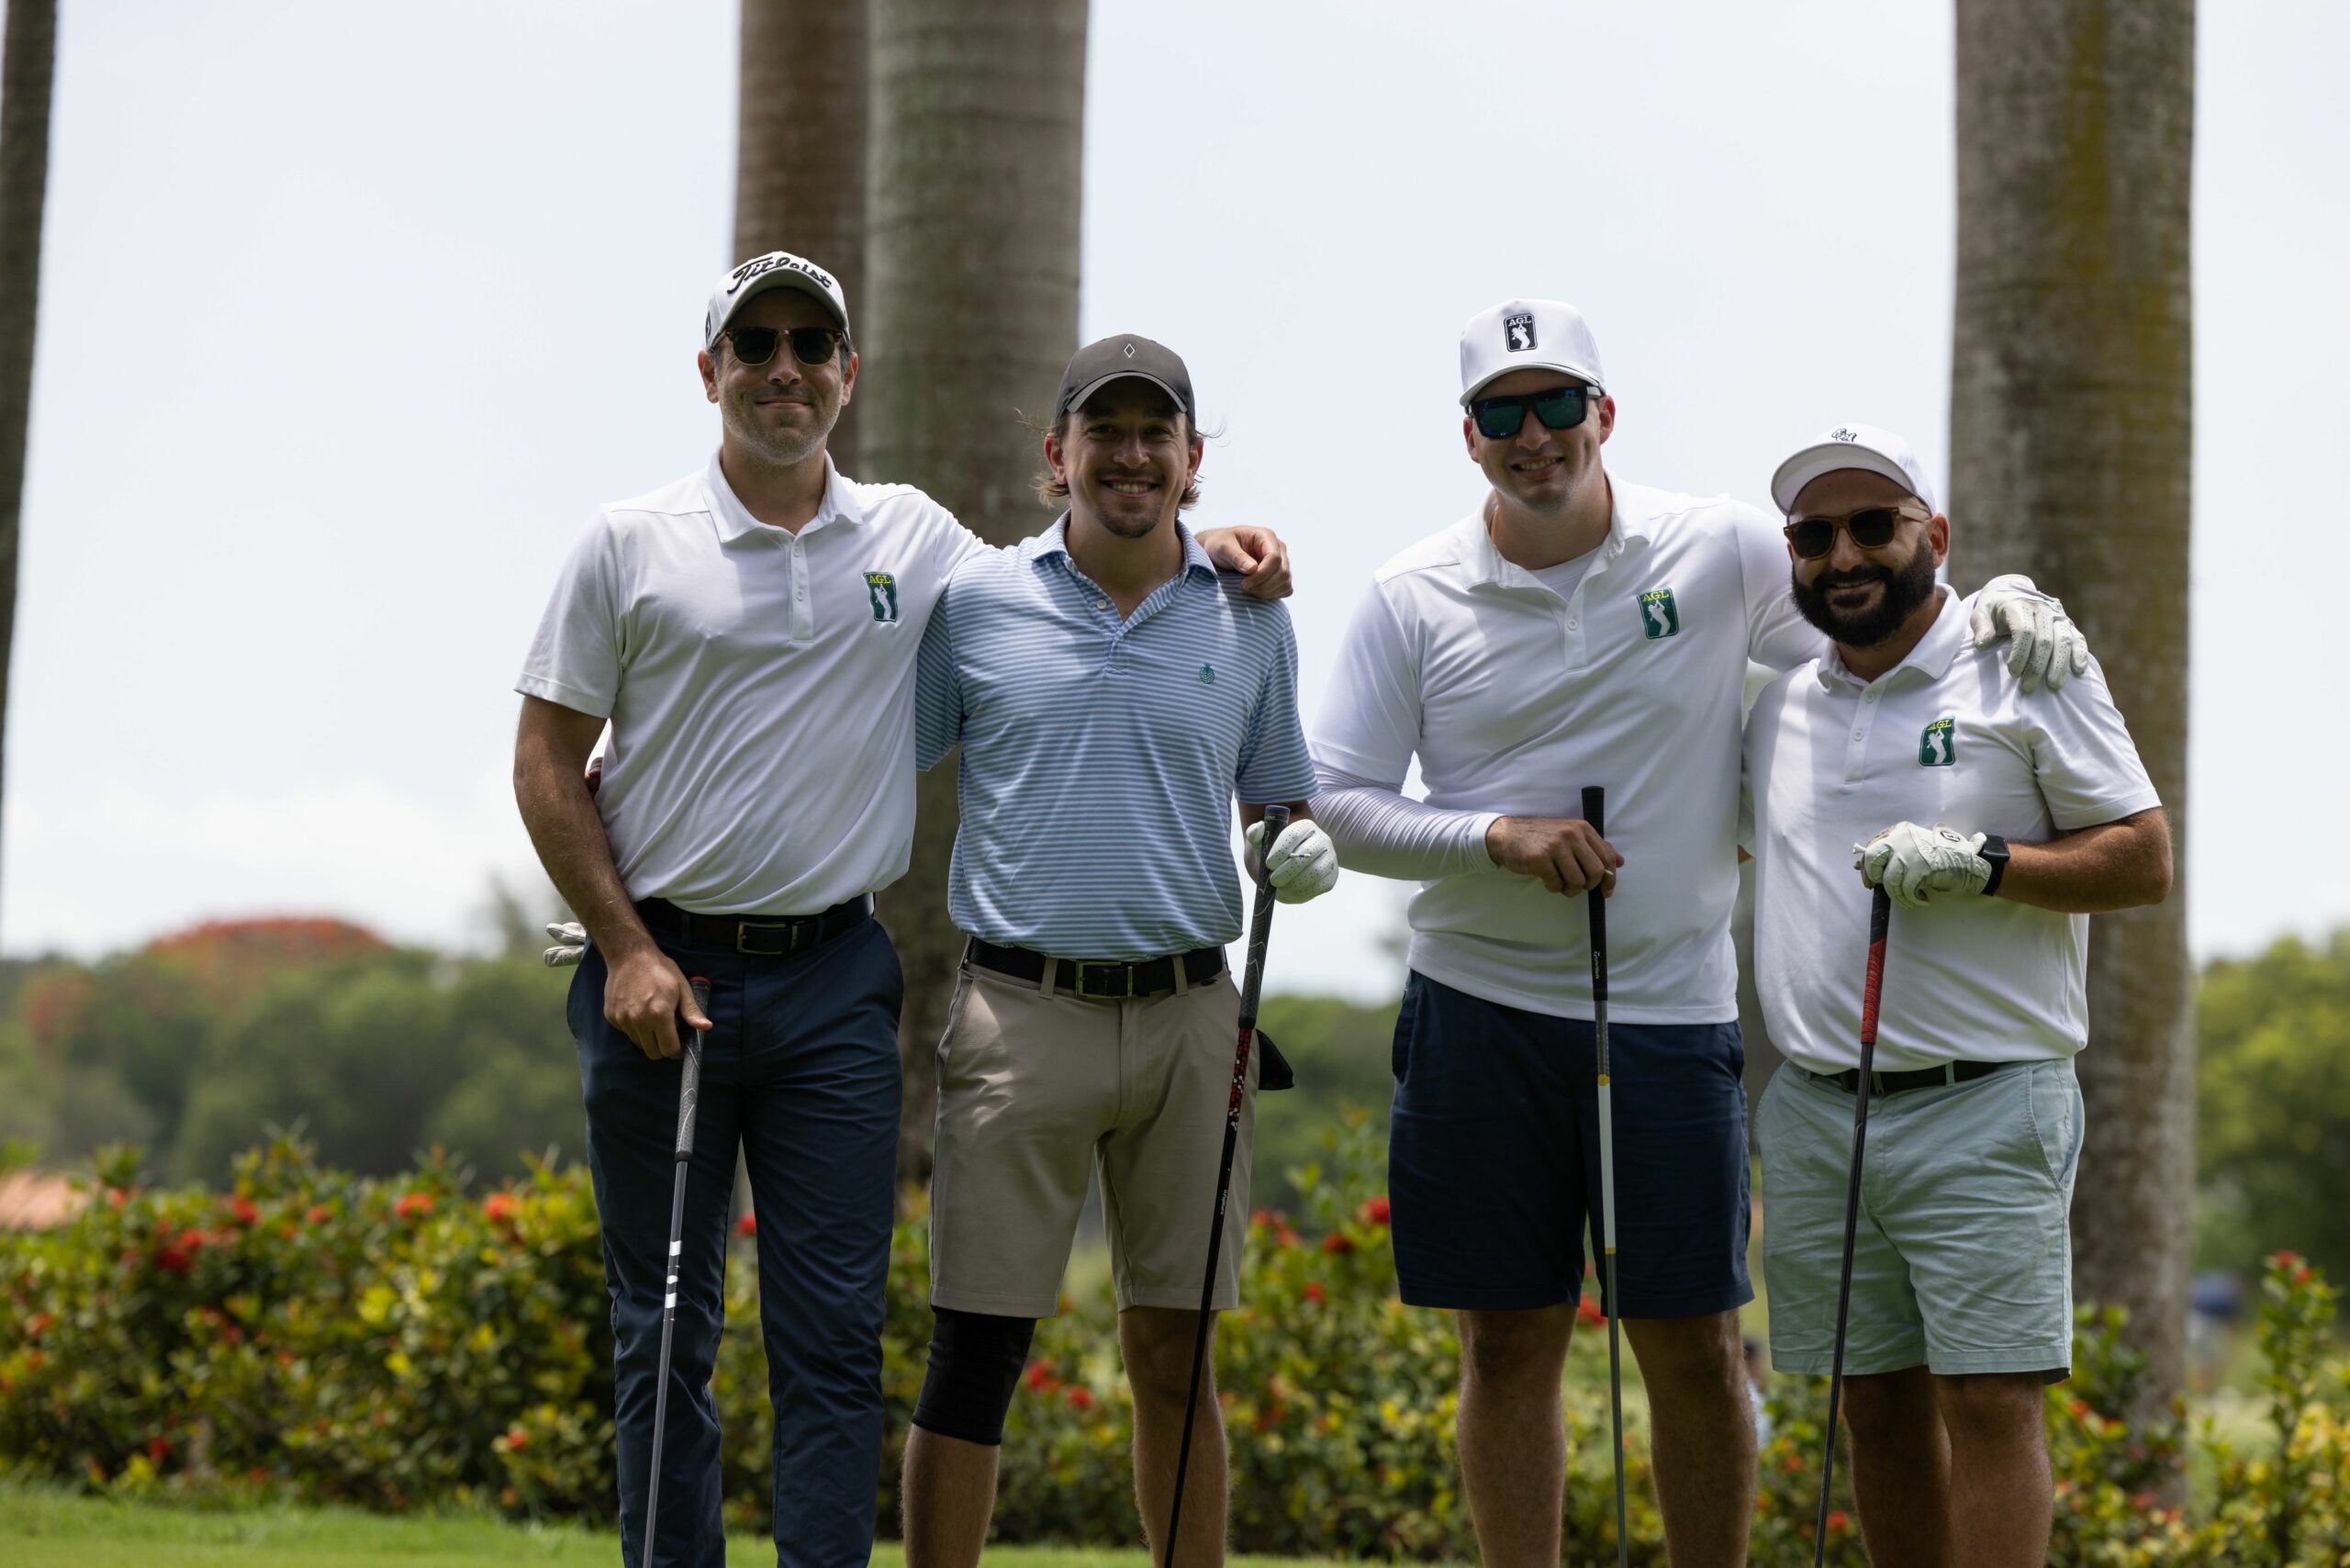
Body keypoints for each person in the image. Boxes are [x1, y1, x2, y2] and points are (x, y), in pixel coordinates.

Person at [511, 255, 1288, 1568]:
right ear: (709, 373)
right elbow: (544, 761)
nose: (785, 367)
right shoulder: (628, 541)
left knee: (831, 1342)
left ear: (847, 374)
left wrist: (1196, 546)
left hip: (833, 977)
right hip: (659, 976)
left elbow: (1064, 586)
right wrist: (628, 946)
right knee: (666, 1329)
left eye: (811, 344)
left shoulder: (915, 541)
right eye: (754, 344)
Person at [1308, 298, 2090, 1566]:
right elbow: (1336, 802)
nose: (1533, 434)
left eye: (1556, 403)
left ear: (1603, 414)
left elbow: (1880, 610)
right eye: (1502, 413)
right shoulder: (1411, 596)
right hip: (1475, 1010)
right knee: (1504, 1345)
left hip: (1669, 1015)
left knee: (1694, 1346)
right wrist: (1492, 837)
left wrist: (2002, 599)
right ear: (1469, 437)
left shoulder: (1718, 550)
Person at [897, 334, 1337, 1568]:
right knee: (974, 1352)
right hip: (1018, 1009)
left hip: (1193, 1016)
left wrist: (1292, 844)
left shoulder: (1252, 619)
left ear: (1193, 459)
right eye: (1107, 431)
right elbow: (868, 756)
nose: (1132, 455)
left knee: (1176, 1354)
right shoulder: (976, 604)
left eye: (1158, 434)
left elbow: (1277, 804)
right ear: (1059, 451)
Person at [1743, 422, 2170, 1568]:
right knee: (1872, 1402)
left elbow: (2141, 859)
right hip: (1818, 1108)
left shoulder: (2025, 664)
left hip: (1985, 1099)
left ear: (1934, 533)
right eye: (1815, 535)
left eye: (1872, 526)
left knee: (1987, 1399)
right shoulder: (1775, 708)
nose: (1844, 555)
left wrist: (1984, 864)